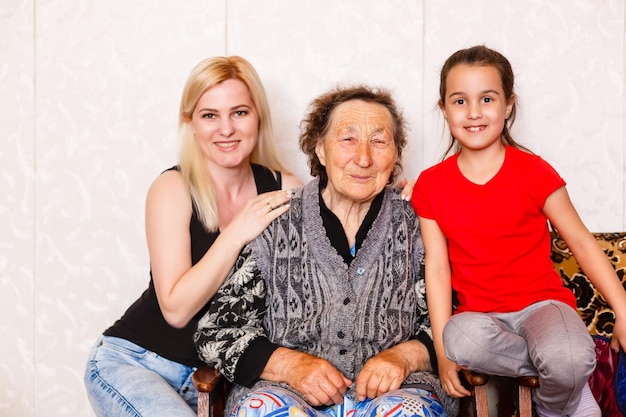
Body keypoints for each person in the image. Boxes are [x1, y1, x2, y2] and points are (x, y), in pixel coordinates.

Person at [195, 85, 459, 417]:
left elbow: (457, 321)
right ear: (320, 150)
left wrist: (404, 357)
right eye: (348, 139)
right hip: (285, 393)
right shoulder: (275, 223)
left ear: (395, 155)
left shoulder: (420, 223)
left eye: (379, 141)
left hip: (398, 391)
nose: (363, 158)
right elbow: (217, 332)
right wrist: (289, 365)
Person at [411, 45, 626, 417]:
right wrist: (446, 359)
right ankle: (568, 381)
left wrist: (623, 310)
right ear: (443, 109)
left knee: (570, 356)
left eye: (487, 99)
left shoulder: (534, 172)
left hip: (543, 306)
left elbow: (582, 244)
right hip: (479, 318)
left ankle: (555, 405)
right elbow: (438, 267)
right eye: (460, 101)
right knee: (457, 338)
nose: (474, 112)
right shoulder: (431, 185)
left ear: (508, 105)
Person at [83, 56, 303, 417]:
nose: (226, 129)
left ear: (258, 116)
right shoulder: (172, 188)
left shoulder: (283, 188)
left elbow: (335, 253)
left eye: (240, 113)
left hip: (219, 378)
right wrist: (236, 233)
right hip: (137, 362)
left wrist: (386, 203)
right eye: (210, 115)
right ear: (191, 123)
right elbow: (176, 309)